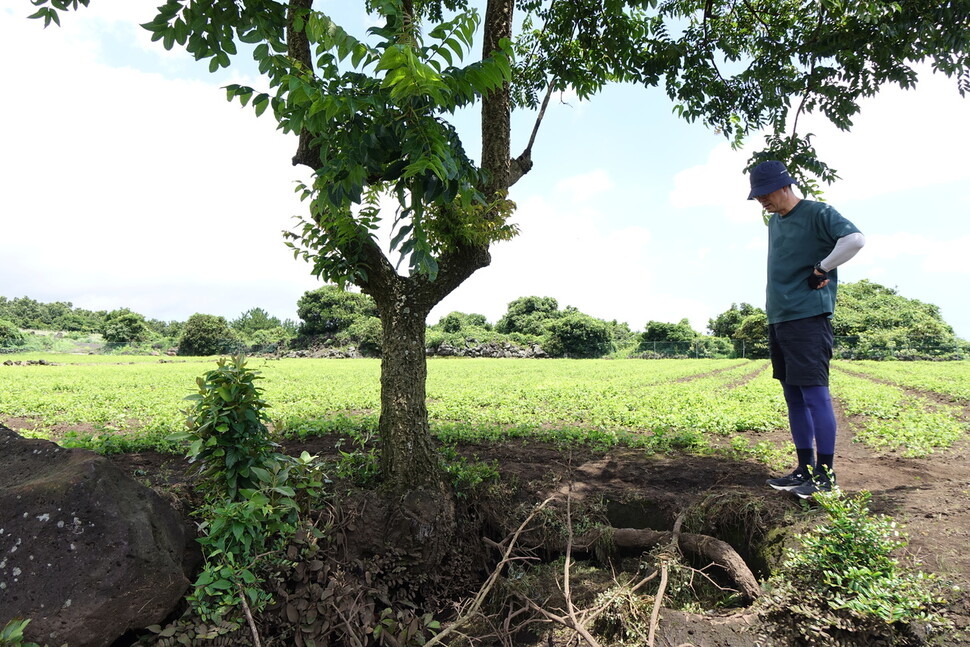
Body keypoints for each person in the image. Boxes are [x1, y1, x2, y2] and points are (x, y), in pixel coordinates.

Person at [747, 160, 865, 499]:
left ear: (786, 186)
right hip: (780, 318)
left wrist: (823, 267)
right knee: (793, 397)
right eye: (757, 197)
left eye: (765, 194)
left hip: (808, 317)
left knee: (814, 395)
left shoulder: (817, 213)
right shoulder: (773, 222)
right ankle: (805, 468)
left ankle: (826, 477)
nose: (762, 201)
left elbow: (855, 239)